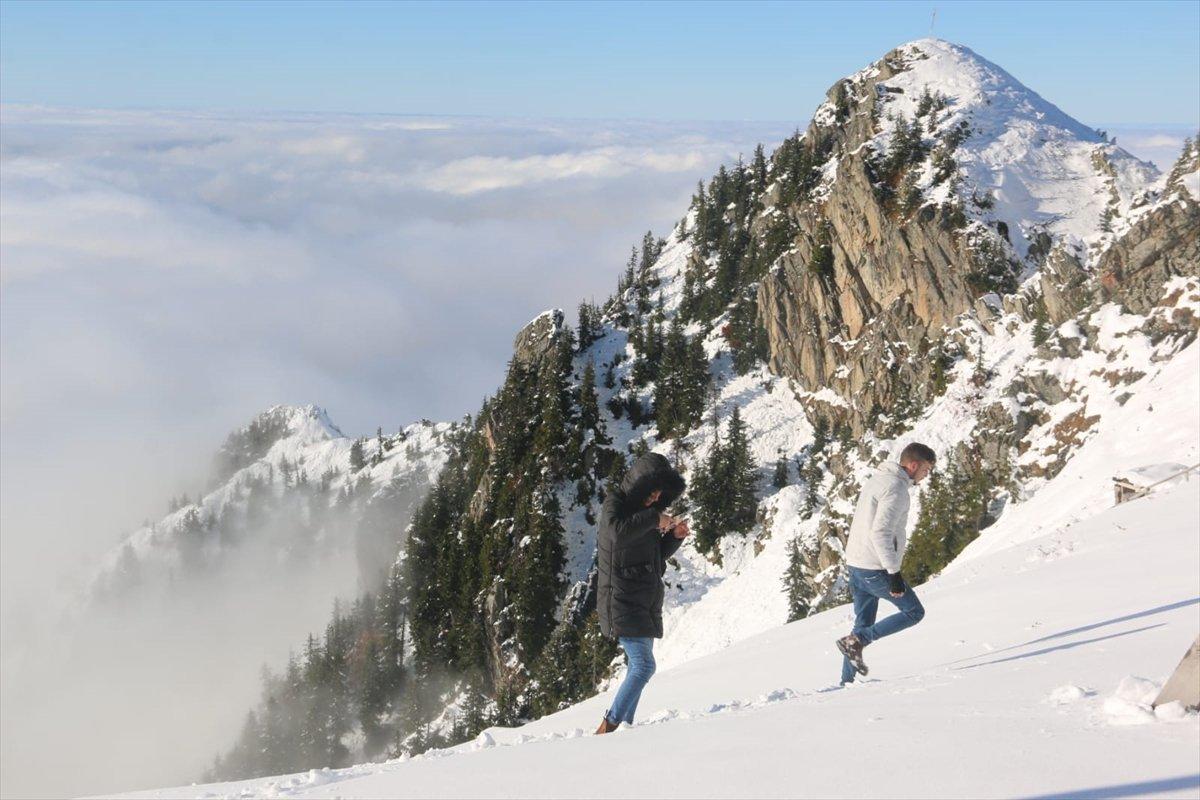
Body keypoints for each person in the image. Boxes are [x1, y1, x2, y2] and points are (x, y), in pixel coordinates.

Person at [594, 452, 688, 734]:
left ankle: (623, 729)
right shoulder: (616, 504)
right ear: (638, 486)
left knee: (640, 667)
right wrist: (654, 518)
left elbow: (654, 561)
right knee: (644, 666)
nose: (654, 498)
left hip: (643, 602)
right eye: (650, 492)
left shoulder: (646, 517)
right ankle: (608, 726)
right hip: (621, 600)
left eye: (659, 495)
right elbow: (615, 534)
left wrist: (674, 538)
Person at [836, 442, 935, 684]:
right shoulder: (896, 489)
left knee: (862, 624)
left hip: (856, 565)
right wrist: (894, 574)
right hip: (874, 567)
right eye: (926, 469)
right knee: (913, 612)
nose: (927, 474)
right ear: (913, 465)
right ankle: (857, 642)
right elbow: (880, 533)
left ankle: (846, 683)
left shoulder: (878, 479)